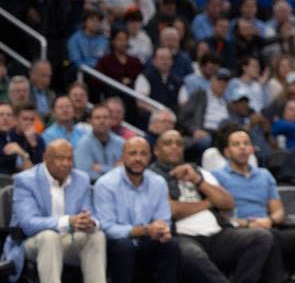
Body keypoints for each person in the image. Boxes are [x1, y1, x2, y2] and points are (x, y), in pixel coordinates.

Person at [150, 129, 273, 283]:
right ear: (156, 150)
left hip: (217, 233)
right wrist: (208, 202)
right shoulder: (152, 177)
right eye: (168, 143)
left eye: (179, 144)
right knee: (192, 255)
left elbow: (228, 203)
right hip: (183, 236)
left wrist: (197, 180)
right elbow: (170, 210)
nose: (175, 147)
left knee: (261, 237)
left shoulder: (197, 171)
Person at [212, 128, 295, 282]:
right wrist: (248, 224)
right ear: (227, 152)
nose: (242, 147)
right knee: (266, 237)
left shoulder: (264, 175)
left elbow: (279, 212)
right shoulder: (217, 176)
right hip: (238, 232)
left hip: (267, 226)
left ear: (252, 149)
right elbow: (220, 216)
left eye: (246, 143)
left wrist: (269, 221)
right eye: (236, 144)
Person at [5, 140, 106, 283]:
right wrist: (67, 221)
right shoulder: (26, 180)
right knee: (49, 237)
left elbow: (92, 213)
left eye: (70, 158)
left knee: (97, 235)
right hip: (31, 242)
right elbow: (28, 223)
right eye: (60, 158)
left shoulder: (81, 179)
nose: (66, 163)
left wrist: (90, 222)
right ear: (46, 158)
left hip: (69, 240)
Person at [93, 137, 179, 283]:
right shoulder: (106, 184)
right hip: (117, 242)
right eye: (133, 153)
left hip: (148, 239)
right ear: (123, 156)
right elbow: (106, 227)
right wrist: (144, 230)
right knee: (123, 247)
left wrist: (162, 230)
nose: (138, 158)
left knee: (171, 245)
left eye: (143, 154)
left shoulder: (158, 182)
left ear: (150, 157)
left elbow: (164, 218)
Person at [74, 104, 123, 181]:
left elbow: (125, 172)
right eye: (97, 118)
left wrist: (101, 168)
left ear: (111, 120)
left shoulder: (121, 143)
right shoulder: (82, 144)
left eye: (105, 117)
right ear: (90, 121)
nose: (102, 121)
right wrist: (114, 169)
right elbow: (85, 174)